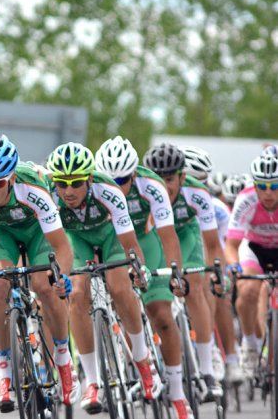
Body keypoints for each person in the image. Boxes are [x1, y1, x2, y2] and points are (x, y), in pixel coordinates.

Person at [0, 134, 79, 412]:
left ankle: (64, 362)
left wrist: (62, 277)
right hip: (1, 233)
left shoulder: (34, 191)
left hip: (37, 234)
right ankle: (4, 374)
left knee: (44, 285)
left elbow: (62, 246)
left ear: (12, 179)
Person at [46, 142, 156, 413]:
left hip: (111, 239)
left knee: (120, 288)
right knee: (78, 294)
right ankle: (93, 381)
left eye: (76, 183)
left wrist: (138, 270)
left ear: (90, 179)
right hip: (78, 240)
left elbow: (130, 243)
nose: (68, 191)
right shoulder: (49, 194)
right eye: (62, 183)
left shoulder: (109, 191)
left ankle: (143, 362)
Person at [96, 136, 193, 417]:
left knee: (160, 313)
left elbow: (167, 234)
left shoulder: (152, 186)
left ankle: (176, 393)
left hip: (146, 242)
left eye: (123, 180)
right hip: (111, 242)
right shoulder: (92, 187)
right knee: (114, 297)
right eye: (109, 180)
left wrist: (176, 271)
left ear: (135, 173)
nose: (116, 188)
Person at [143, 143, 226, 400]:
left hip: (186, 236)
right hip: (156, 237)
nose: (164, 186)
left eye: (169, 179)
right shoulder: (143, 190)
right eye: (159, 179)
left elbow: (212, 243)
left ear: (181, 177)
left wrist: (217, 272)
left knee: (194, 287)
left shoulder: (197, 192)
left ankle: (206, 367)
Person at [182, 146, 243, 384]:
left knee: (219, 296)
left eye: (205, 181)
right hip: (180, 255)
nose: (202, 187)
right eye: (196, 180)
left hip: (208, 255)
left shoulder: (216, 208)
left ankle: (231, 359)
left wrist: (221, 275)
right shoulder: (169, 203)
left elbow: (222, 246)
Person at [225, 155, 278, 379]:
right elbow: (231, 244)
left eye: (274, 186)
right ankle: (249, 344)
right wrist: (234, 266)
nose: (267, 192)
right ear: (254, 185)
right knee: (247, 289)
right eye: (262, 186)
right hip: (254, 248)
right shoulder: (245, 199)